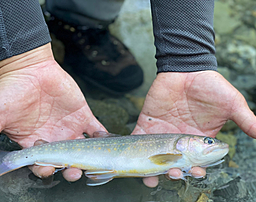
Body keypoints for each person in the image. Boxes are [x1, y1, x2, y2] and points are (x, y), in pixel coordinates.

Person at [0, 0, 256, 188]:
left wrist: (187, 57)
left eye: (209, 142)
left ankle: (78, 18)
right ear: (183, 146)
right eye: (208, 142)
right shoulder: (174, 155)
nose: (213, 144)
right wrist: (20, 58)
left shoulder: (175, 154)